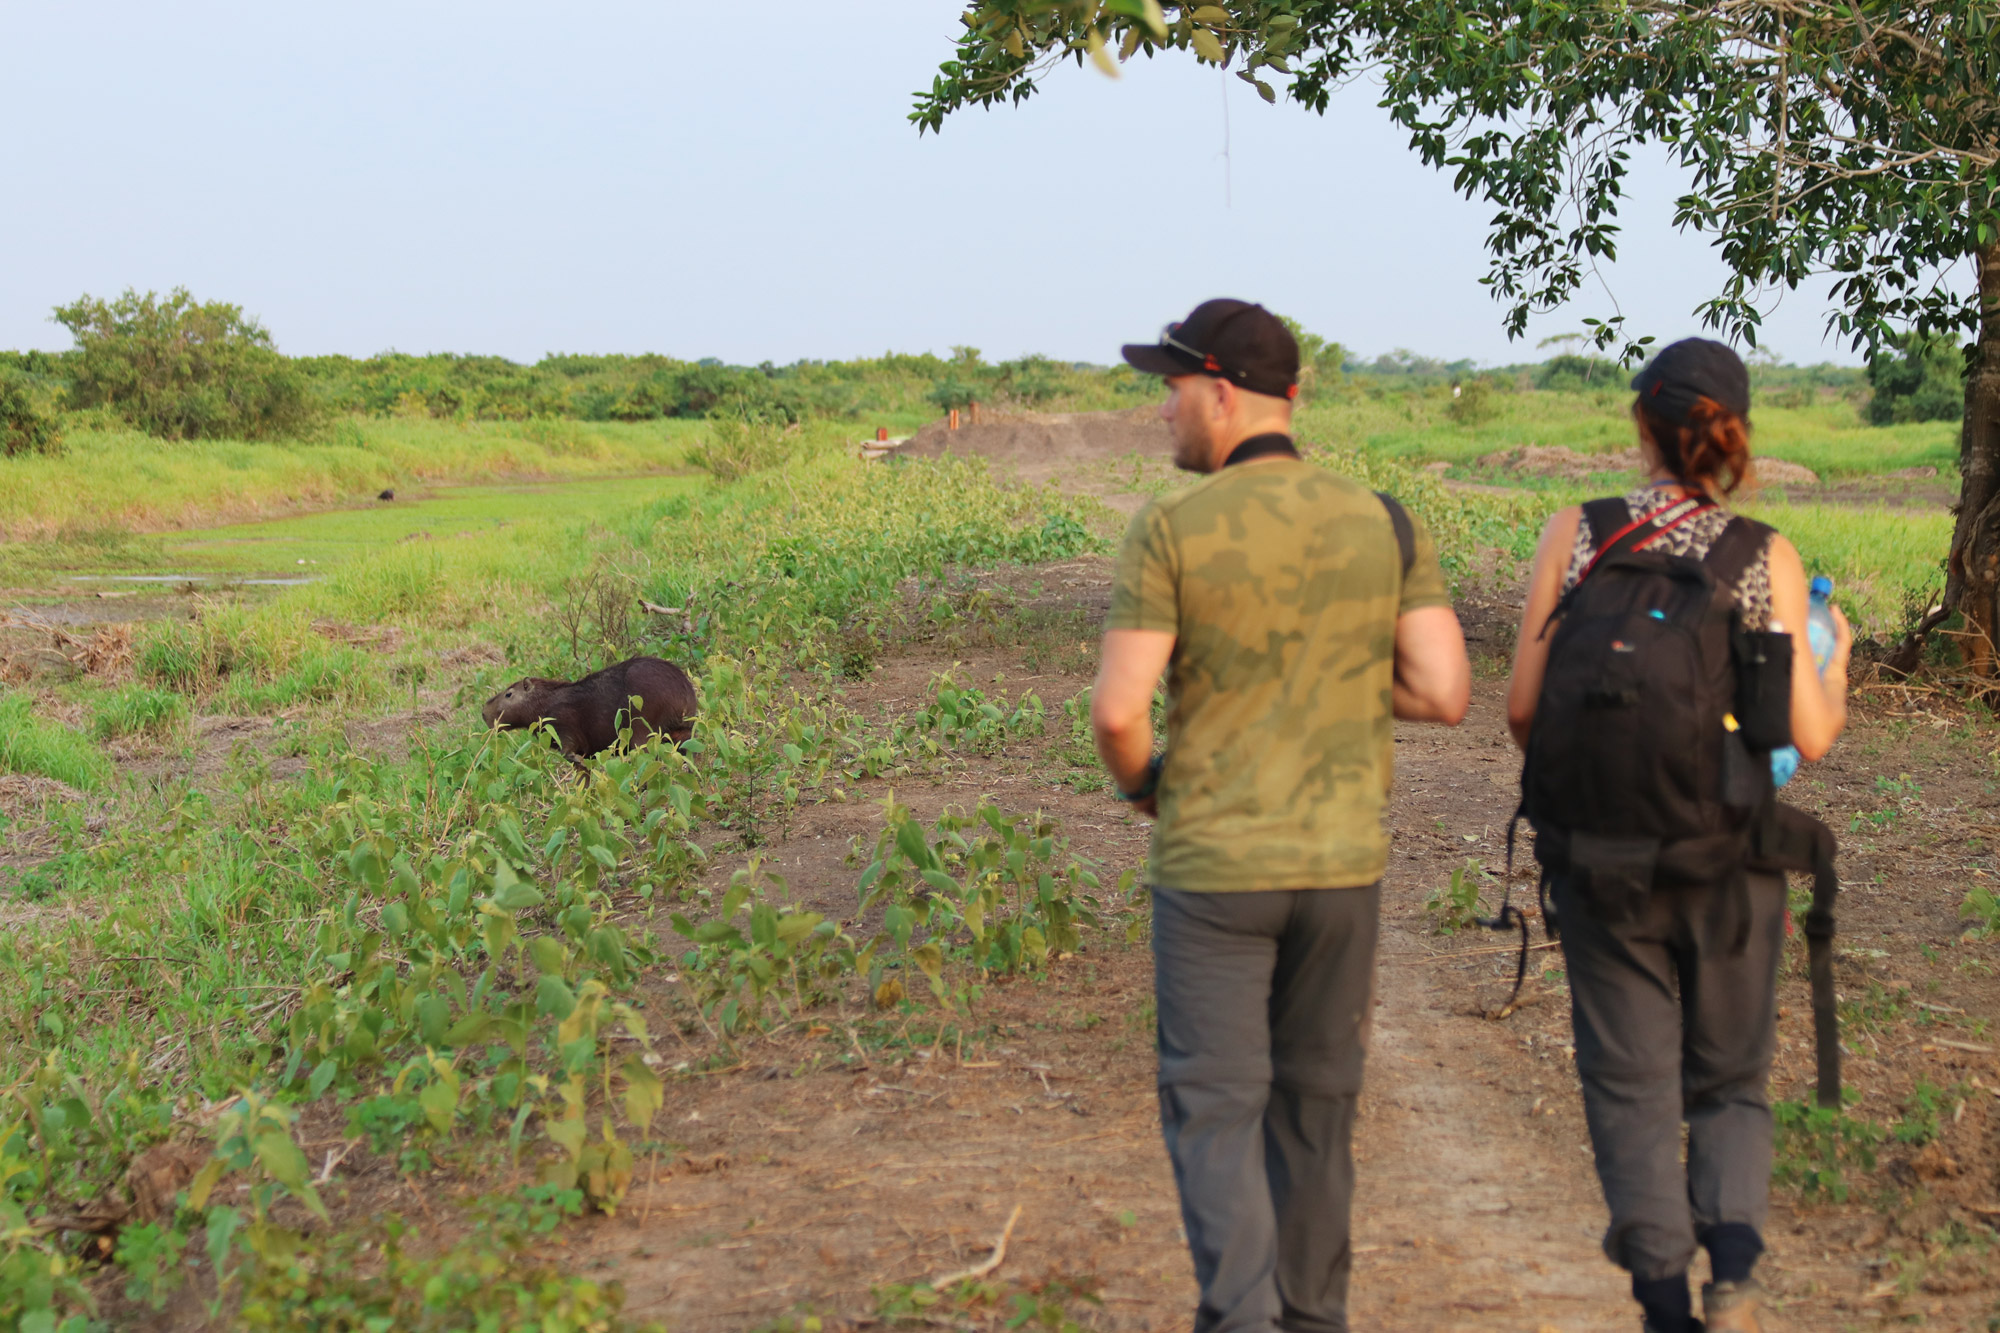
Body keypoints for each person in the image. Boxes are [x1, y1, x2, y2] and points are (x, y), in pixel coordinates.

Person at [1093, 299, 1471, 1333]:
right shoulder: (1381, 518)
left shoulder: (1171, 526)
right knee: (1315, 1108)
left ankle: (1240, 1318)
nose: (1163, 413)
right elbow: (1441, 689)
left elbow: (1121, 710)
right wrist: (1333, 670)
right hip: (1341, 865)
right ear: (1289, 397)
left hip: (1214, 865)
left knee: (1214, 1108)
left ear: (1219, 392)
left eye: (1170, 391)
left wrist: (1142, 789)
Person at [1504, 339, 1853, 1333]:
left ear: (1639, 425)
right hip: (1728, 857)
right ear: (1736, 435)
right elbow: (1806, 733)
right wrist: (1836, 665)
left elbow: (1523, 713)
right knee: (1729, 1076)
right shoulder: (1761, 554)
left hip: (1599, 862)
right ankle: (1731, 1273)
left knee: (1624, 1078)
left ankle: (1660, 1296)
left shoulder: (1578, 533)